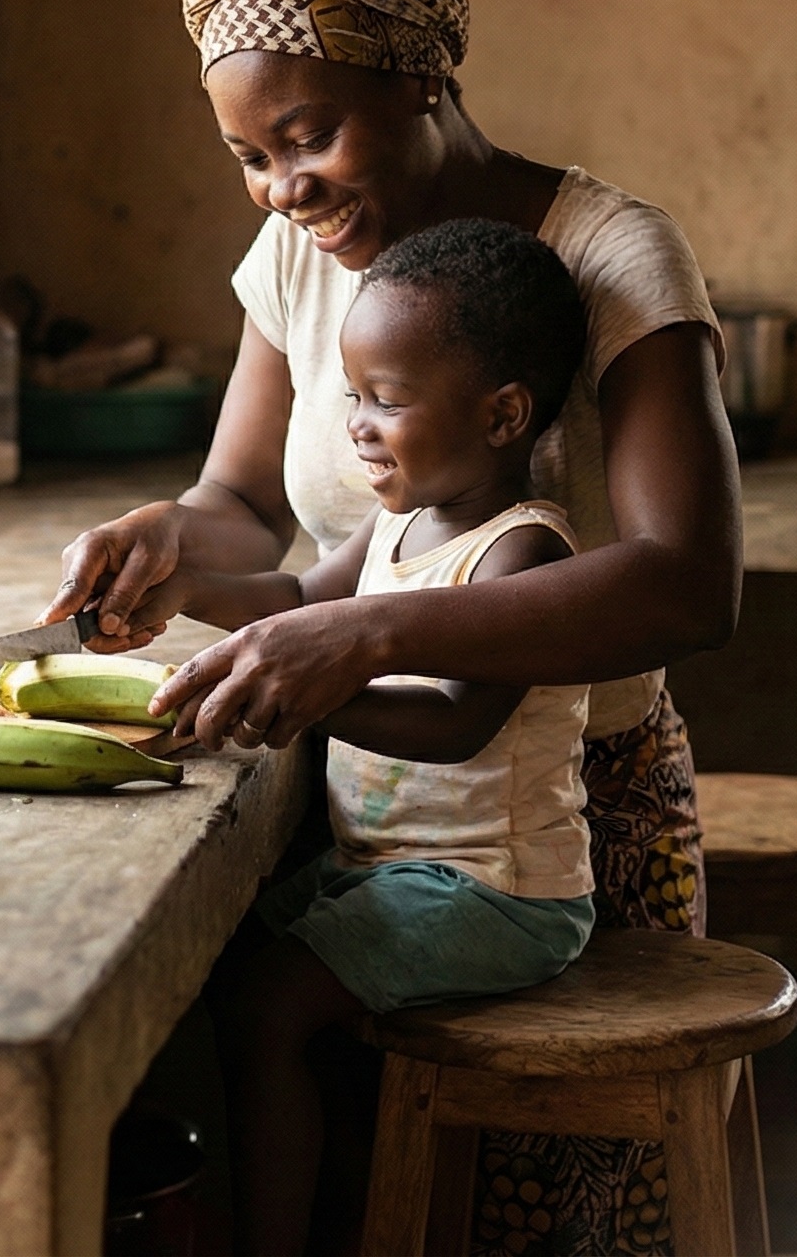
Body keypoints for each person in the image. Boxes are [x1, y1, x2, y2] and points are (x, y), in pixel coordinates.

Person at [41, 0, 740, 1255]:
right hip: (371, 802)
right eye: (248, 157)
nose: (280, 189)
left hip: (554, 827)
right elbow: (241, 506)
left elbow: (688, 582)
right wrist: (161, 550)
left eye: (305, 137)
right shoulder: (305, 264)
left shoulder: (611, 259)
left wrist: (362, 633)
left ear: (418, 72)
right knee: (368, 1175)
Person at [165, 218, 597, 1255]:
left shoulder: (520, 551)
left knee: (268, 1011)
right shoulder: (396, 521)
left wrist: (300, 698)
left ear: (500, 415)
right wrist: (177, 587)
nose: (357, 425)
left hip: (493, 890)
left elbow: (455, 724)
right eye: (351, 396)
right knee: (220, 971)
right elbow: (295, 596)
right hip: (391, 870)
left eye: (387, 400)